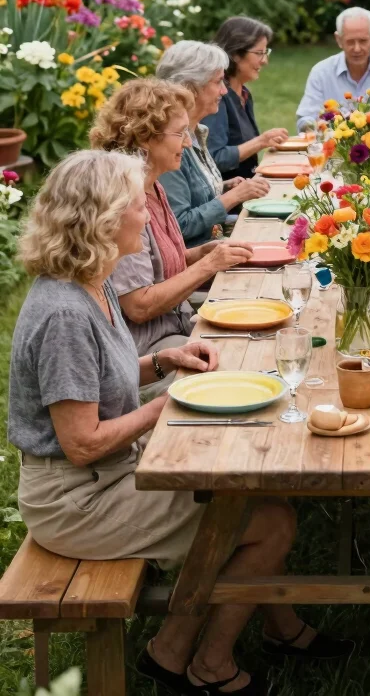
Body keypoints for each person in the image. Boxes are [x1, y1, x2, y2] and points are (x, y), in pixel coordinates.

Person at [8, 150, 352, 695]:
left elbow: (104, 381)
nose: (146, 216)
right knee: (270, 522)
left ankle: (275, 627)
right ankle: (195, 660)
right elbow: (80, 443)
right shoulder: (66, 315)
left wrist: (163, 363)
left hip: (108, 474)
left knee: (244, 487)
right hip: (78, 499)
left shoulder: (88, 283)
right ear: (100, 218)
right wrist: (165, 405)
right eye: (134, 206)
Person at [91, 78, 254, 361]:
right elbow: (138, 306)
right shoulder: (124, 204)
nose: (189, 143)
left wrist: (197, 254)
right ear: (145, 137)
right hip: (147, 351)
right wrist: (208, 265)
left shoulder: (154, 186)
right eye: (180, 134)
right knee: (239, 358)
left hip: (177, 326)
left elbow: (153, 266)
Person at [156, 40, 270, 247]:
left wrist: (225, 188)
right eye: (218, 82)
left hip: (215, 245)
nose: (224, 91)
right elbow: (179, 225)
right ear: (190, 88)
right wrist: (233, 197)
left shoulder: (196, 131)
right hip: (197, 261)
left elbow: (193, 196)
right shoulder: (169, 144)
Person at [295, 7, 370, 130]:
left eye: (363, 41)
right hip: (334, 147)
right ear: (339, 40)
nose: (357, 48)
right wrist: (318, 127)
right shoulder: (321, 72)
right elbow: (305, 120)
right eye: (350, 42)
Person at [202, 17, 289, 179]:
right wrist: (261, 141)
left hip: (249, 188)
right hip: (227, 196)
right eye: (259, 53)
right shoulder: (218, 98)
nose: (265, 61)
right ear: (235, 54)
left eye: (266, 52)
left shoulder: (244, 94)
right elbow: (214, 158)